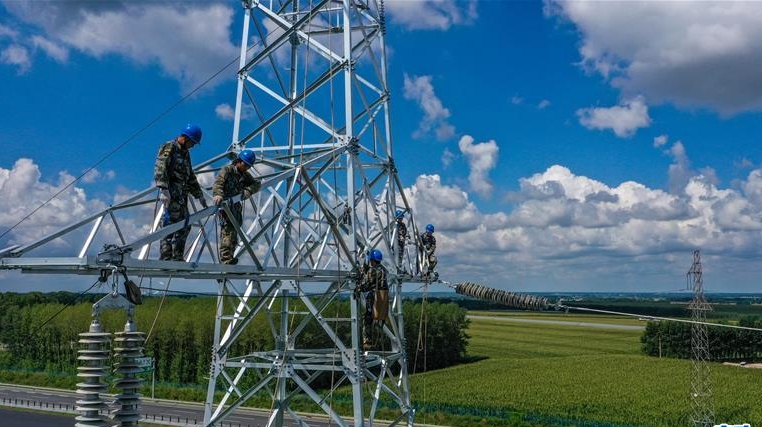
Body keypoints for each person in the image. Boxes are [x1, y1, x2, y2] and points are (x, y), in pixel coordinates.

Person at [154, 123, 207, 261]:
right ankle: (165, 257)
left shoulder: (185, 154)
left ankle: (177, 257)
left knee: (185, 225)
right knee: (169, 224)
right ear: (186, 138)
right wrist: (163, 188)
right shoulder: (170, 147)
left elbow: (190, 176)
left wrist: (199, 195)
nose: (193, 146)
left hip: (182, 195)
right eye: (192, 142)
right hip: (171, 194)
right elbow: (160, 167)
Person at [212, 149, 262, 265]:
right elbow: (218, 183)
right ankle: (226, 259)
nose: (246, 168)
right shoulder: (227, 170)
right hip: (226, 207)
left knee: (234, 234)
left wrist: (248, 191)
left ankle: (230, 257)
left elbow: (257, 184)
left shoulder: (244, 175)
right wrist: (218, 194)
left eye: (248, 166)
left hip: (236, 208)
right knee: (227, 232)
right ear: (238, 161)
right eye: (245, 165)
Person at [357, 249, 388, 350]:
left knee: (367, 319)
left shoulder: (372, 271)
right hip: (383, 298)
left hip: (374, 297)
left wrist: (358, 286)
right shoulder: (383, 270)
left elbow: (366, 286)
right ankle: (375, 340)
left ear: (372, 260)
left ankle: (367, 341)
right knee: (378, 319)